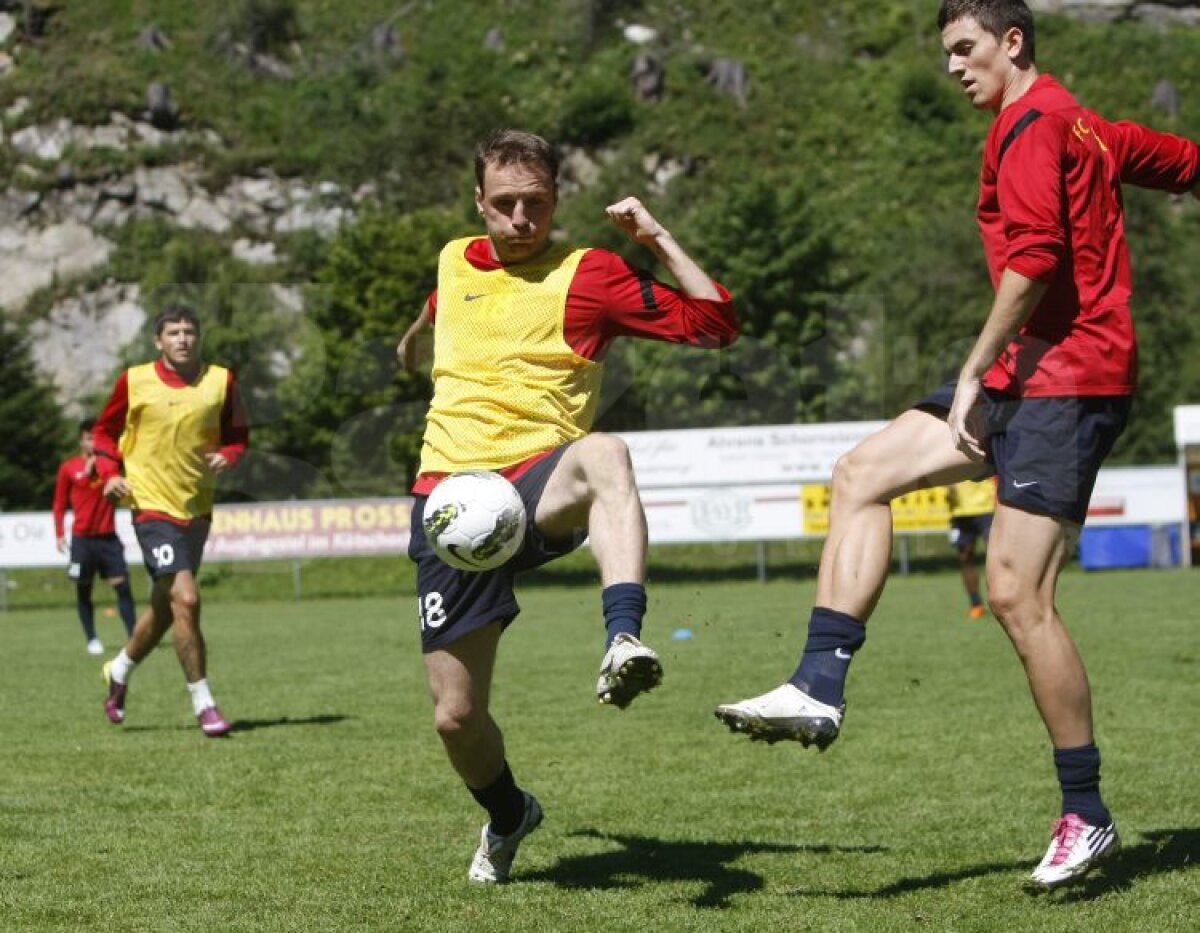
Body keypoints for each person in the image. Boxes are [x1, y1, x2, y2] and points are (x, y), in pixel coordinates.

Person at [715, 0, 1199, 891]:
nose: (952, 65)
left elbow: (1036, 259)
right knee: (862, 472)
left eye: (964, 47)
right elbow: (1186, 161)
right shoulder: (1085, 124)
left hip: (1068, 377)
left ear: (1013, 42)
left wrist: (973, 370)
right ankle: (819, 682)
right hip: (1026, 369)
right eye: (946, 51)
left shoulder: (1032, 128)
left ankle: (1085, 813)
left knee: (1018, 596)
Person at [397, 129, 737, 884]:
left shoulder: (594, 274)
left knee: (607, 452)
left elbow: (716, 324)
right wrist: (413, 340)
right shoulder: (455, 260)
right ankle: (510, 812)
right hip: (448, 505)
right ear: (478, 202)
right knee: (455, 717)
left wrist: (654, 236)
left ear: (556, 202)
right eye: (506, 204)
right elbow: (438, 304)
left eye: (537, 205)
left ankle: (622, 638)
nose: (522, 219)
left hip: (538, 482)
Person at [92, 305, 249, 738]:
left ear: (199, 338)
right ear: (158, 342)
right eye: (173, 333)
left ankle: (119, 671)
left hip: (196, 508)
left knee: (168, 607)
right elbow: (104, 435)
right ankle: (205, 703)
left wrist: (229, 455)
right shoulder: (134, 380)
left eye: (189, 331)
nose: (183, 338)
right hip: (149, 505)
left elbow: (238, 435)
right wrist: (110, 476)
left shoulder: (222, 381)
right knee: (188, 599)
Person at [53, 418, 137, 654]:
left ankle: (134, 638)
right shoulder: (69, 468)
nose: (92, 443)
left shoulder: (110, 467)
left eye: (96, 438)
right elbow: (59, 503)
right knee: (83, 588)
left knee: (122, 586)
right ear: (81, 440)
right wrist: (59, 533)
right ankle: (92, 639)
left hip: (108, 538)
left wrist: (100, 465)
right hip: (82, 540)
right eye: (89, 438)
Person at [946, 477, 996, 619]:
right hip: (959, 512)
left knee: (995, 556)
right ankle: (976, 604)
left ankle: (1004, 598)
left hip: (986, 509)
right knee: (965, 558)